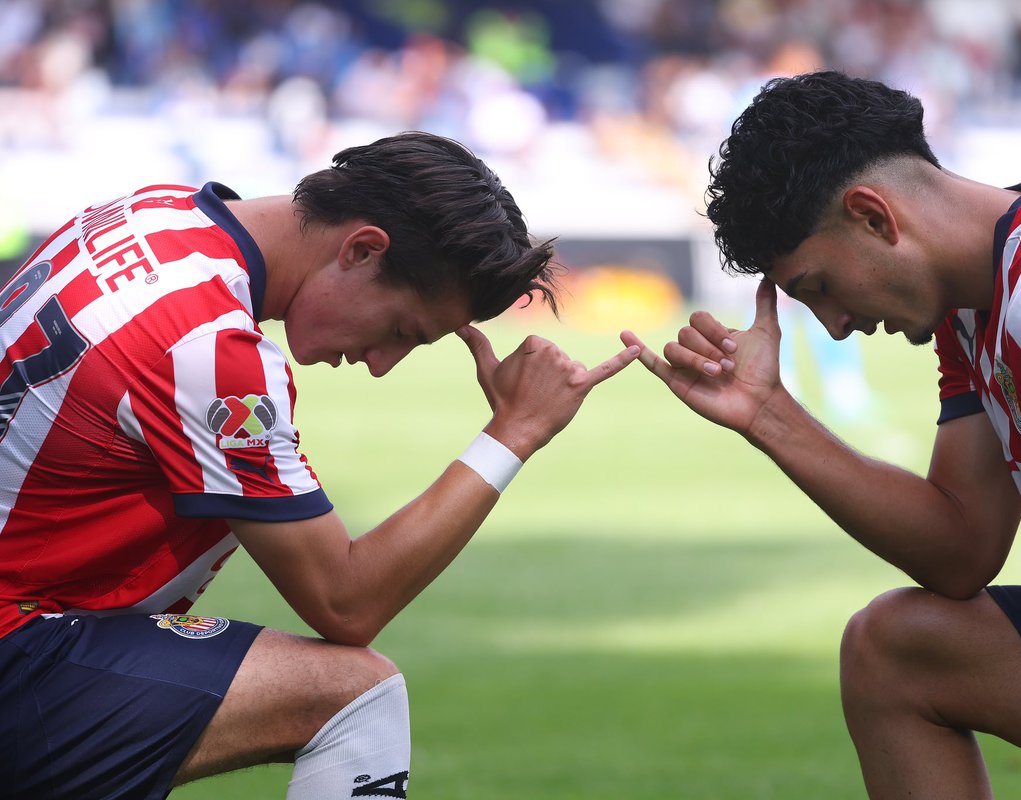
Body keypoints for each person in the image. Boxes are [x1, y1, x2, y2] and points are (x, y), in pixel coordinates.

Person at [0, 131, 639, 799]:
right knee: (354, 695)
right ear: (362, 249)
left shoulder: (150, 213)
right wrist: (515, 431)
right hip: (17, 641)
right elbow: (347, 600)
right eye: (402, 331)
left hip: (37, 622)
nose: (382, 364)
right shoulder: (212, 351)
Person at [621, 70, 1021, 799]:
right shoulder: (978, 298)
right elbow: (959, 549)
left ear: (873, 217)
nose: (834, 325)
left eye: (817, 288)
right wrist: (770, 415)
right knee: (896, 651)